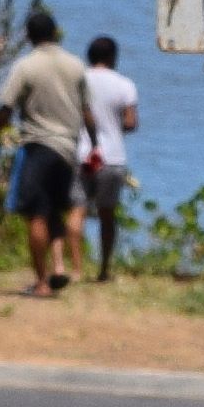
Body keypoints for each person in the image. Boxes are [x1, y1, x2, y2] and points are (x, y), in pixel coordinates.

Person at [0, 3, 96, 296]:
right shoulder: (76, 65)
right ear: (56, 33)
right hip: (67, 149)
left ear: (28, 35)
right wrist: (94, 145)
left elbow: (5, 109)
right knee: (55, 211)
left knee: (36, 213)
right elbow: (87, 112)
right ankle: (58, 268)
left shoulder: (26, 66)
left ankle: (42, 282)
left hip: (38, 146)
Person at [78, 30, 142, 283]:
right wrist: (115, 127)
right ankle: (104, 269)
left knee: (76, 211)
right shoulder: (125, 85)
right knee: (107, 216)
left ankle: (75, 268)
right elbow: (131, 122)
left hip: (81, 154)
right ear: (113, 57)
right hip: (112, 157)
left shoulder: (79, 81)